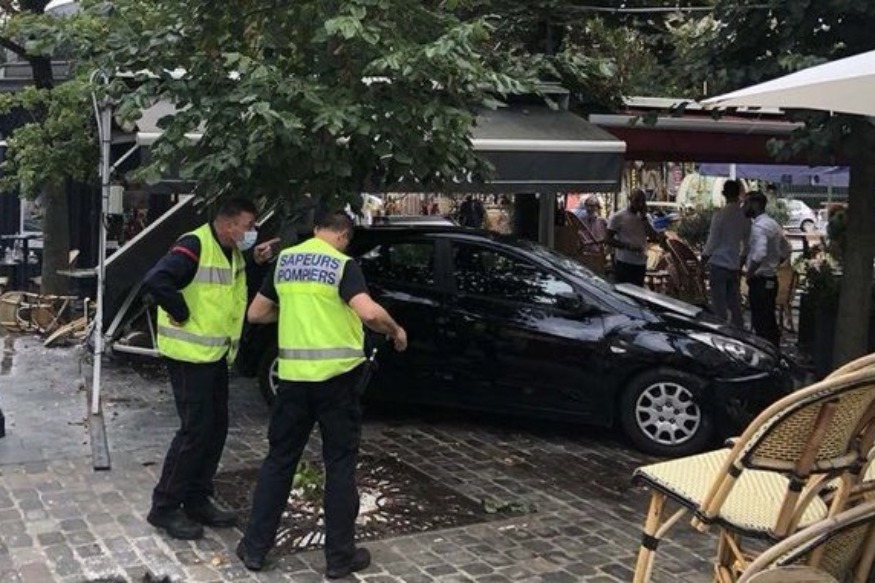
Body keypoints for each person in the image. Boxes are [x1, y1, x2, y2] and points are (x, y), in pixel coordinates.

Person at [237, 211, 407, 577]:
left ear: (316, 231)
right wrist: (395, 330)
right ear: (344, 235)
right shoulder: (342, 265)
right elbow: (368, 312)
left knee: (279, 462)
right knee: (340, 465)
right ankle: (339, 558)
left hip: (293, 382)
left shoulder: (285, 261)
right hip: (337, 383)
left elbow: (256, 314)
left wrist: (295, 312)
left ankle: (254, 548)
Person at [143, 198, 279, 541]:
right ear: (228, 222)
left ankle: (196, 498)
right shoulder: (194, 245)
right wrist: (182, 312)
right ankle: (164, 507)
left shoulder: (230, 251)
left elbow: (230, 296)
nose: (251, 232)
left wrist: (257, 260)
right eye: (248, 226)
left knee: (215, 428)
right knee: (195, 430)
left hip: (213, 355)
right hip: (190, 356)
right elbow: (157, 280)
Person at [744, 190, 792, 347]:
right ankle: (774, 350)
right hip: (771, 279)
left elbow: (759, 254)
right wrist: (775, 263)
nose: (744, 207)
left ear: (756, 205)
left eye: (747, 203)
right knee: (769, 318)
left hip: (760, 281)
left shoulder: (759, 228)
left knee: (760, 322)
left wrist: (750, 273)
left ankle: (764, 354)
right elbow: (787, 249)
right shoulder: (773, 224)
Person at [702, 180, 750, 328]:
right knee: (734, 304)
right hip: (734, 265)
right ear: (739, 194)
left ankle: (720, 334)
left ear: (724, 194)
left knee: (719, 306)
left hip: (718, 264)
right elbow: (748, 243)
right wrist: (741, 261)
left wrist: (703, 258)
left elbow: (712, 241)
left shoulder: (720, 215)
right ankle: (740, 334)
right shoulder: (745, 217)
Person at [606, 189, 664, 286]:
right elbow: (607, 239)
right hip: (625, 261)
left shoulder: (646, 218)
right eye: (637, 200)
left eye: (642, 201)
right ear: (630, 200)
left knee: (638, 291)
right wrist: (626, 246)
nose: (640, 204)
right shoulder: (618, 217)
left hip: (640, 262)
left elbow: (653, 236)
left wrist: (644, 218)